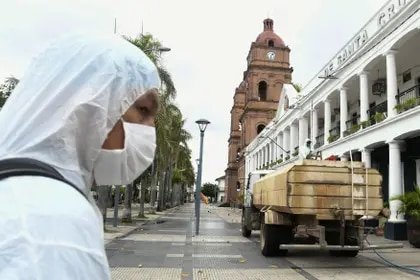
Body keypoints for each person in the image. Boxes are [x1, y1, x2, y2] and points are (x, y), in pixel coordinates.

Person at [0, 33, 160, 279]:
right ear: (92, 104)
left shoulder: (20, 191)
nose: (150, 128)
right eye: (143, 110)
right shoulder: (51, 225)